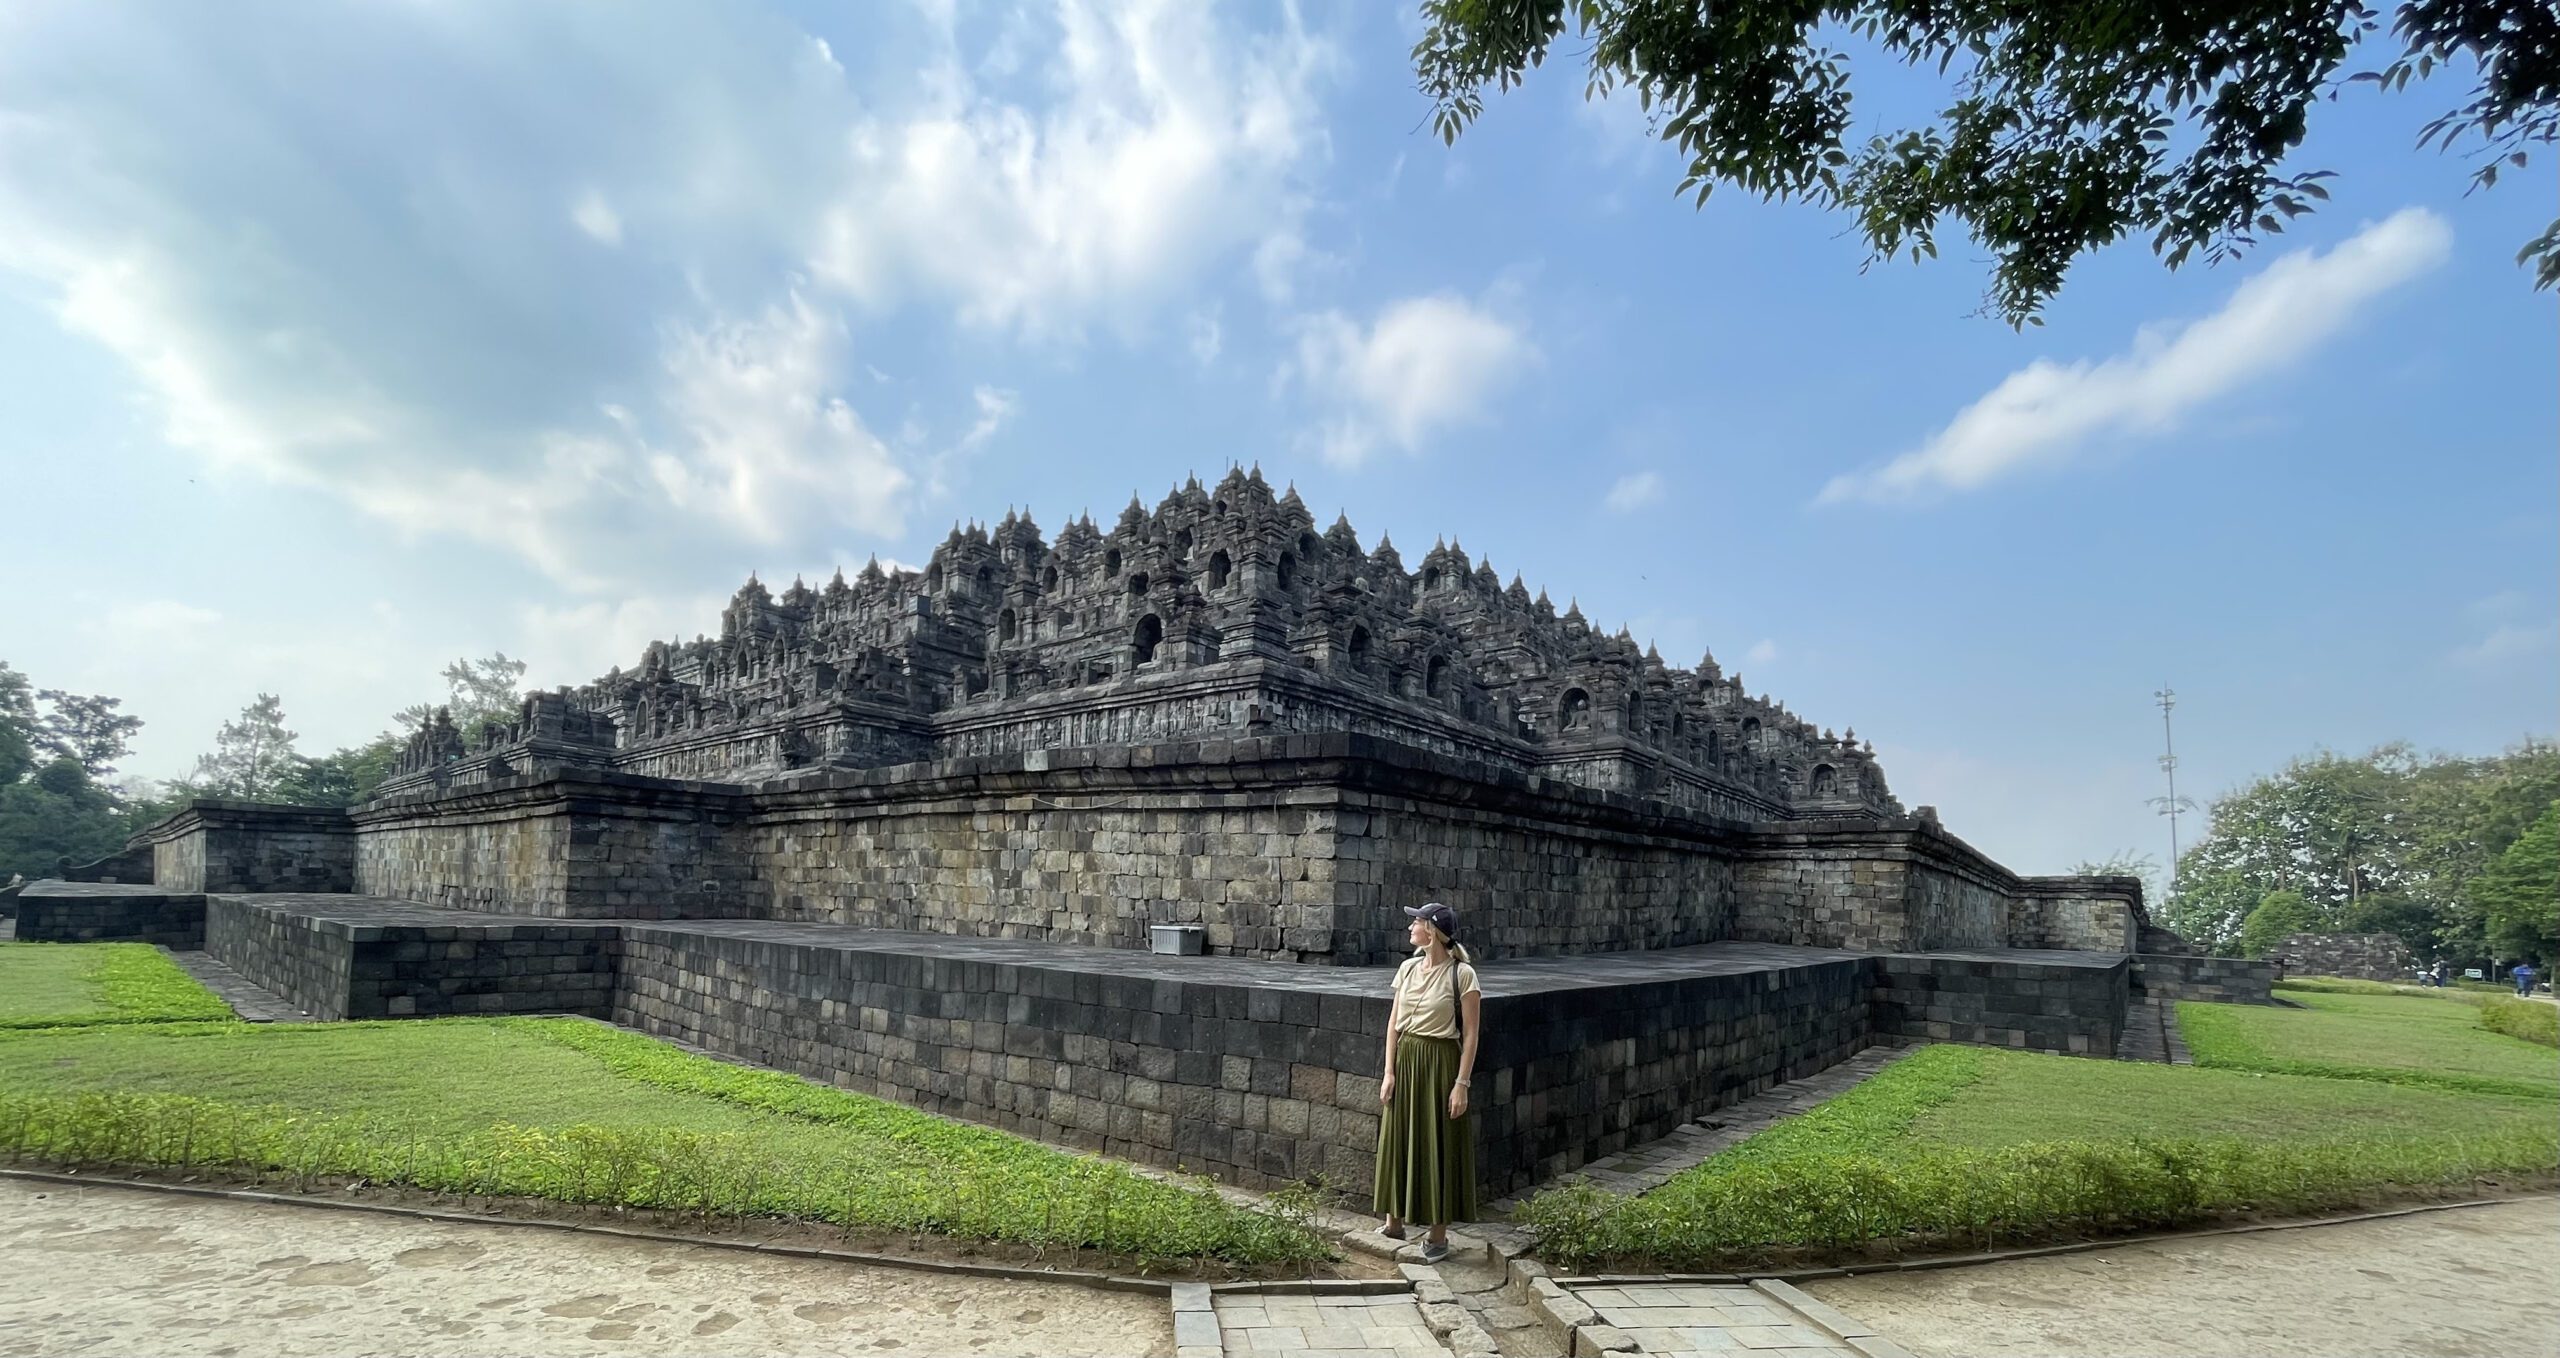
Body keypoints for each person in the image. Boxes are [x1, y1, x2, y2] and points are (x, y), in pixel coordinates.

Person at [1375, 900, 1481, 1264]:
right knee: (1397, 1135)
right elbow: (1393, 1024)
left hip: (1440, 1062)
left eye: (1415, 923)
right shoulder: (1406, 969)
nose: (1409, 929)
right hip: (1406, 1060)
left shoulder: (1462, 975)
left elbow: (1470, 1035)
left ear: (1432, 930)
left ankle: (1437, 1235)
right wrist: (1389, 1072)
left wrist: (1461, 1083)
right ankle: (1394, 1222)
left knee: (1438, 1141)